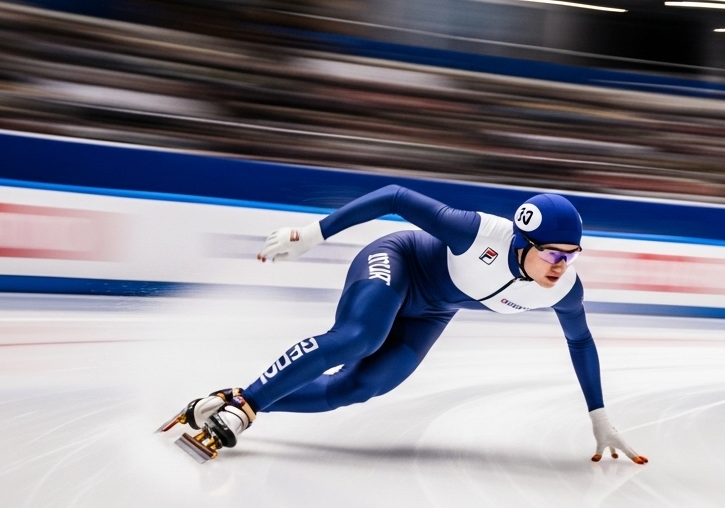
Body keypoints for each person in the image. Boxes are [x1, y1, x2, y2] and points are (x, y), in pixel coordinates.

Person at [159, 184, 647, 466]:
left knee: (358, 388)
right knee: (359, 339)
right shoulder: (478, 233)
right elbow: (393, 196)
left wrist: (599, 419)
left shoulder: (565, 288)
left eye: (572, 255)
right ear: (523, 242)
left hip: (434, 309)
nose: (562, 265)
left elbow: (580, 342)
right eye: (553, 254)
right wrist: (311, 234)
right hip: (398, 261)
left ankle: (234, 399)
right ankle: (246, 406)